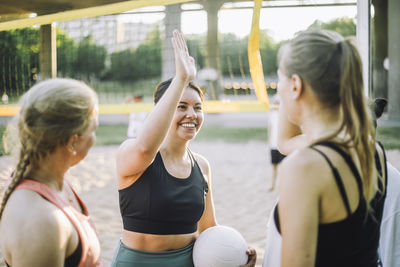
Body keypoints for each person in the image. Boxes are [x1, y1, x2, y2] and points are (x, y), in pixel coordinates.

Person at [111, 30, 256, 267]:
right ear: (164, 109)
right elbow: (146, 148)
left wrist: (235, 255)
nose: (192, 114)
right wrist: (181, 78)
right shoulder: (133, 153)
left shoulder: (202, 165)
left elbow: (208, 228)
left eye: (198, 108)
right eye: (182, 106)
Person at [262, 29, 387, 267]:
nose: (278, 89)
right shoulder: (370, 149)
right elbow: (286, 142)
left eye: (280, 78)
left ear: (296, 85)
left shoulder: (304, 168)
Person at [0, 78, 103, 267]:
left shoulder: (51, 181)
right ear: (73, 142)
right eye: (94, 129)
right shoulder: (42, 222)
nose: (95, 138)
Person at [267, 94, 285, 191]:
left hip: (281, 144)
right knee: (274, 166)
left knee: (283, 167)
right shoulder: (272, 114)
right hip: (273, 144)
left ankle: (281, 186)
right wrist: (269, 142)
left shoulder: (284, 114)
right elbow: (270, 128)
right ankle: (272, 185)